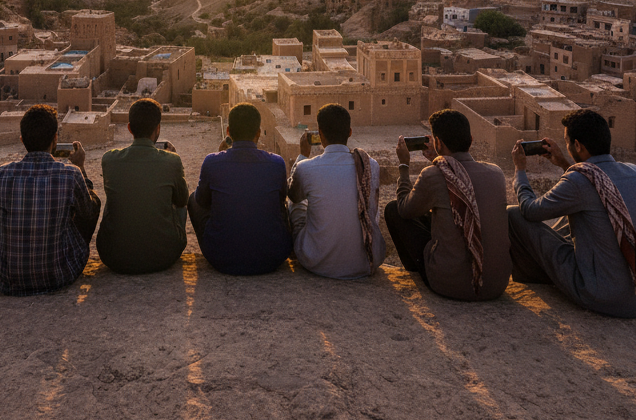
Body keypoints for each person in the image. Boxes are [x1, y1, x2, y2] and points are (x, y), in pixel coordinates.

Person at [508, 108, 636, 318]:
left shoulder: (579, 182)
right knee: (578, 216)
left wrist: (519, 172)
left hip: (605, 296)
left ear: (577, 145)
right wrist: (565, 164)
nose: (566, 145)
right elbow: (591, 188)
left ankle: (542, 275)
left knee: (513, 214)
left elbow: (530, 211)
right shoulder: (635, 172)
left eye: (567, 141)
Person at [384, 109, 510, 300]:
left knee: (393, 209)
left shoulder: (433, 175)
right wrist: (440, 158)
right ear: (471, 139)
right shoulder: (496, 173)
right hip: (495, 284)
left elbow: (404, 209)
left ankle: (417, 271)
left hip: (451, 284)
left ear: (438, 143)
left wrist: (403, 165)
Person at [0, 104, 101, 295]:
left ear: (22, 140)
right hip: (59, 275)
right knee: (91, 202)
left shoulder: (1, 174)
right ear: (55, 138)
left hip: (6, 278)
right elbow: (88, 211)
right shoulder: (71, 174)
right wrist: (81, 169)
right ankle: (70, 252)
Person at [187, 102, 292, 275]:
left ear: (228, 132)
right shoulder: (277, 163)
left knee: (193, 198)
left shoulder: (212, 162)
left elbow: (202, 201)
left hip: (220, 256)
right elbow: (281, 201)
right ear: (258, 133)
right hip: (273, 256)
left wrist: (219, 158)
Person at [287, 103, 385, 279]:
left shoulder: (306, 168)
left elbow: (293, 195)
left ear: (320, 133)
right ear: (349, 132)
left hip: (316, 262)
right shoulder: (370, 165)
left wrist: (302, 155)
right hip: (366, 263)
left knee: (298, 202)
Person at [96, 97, 188, 274]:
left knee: (114, 197)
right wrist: (173, 161)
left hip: (113, 257)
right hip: (164, 256)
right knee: (181, 200)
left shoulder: (109, 159)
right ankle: (173, 239)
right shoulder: (172, 161)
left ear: (129, 128)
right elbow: (182, 200)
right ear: (158, 128)